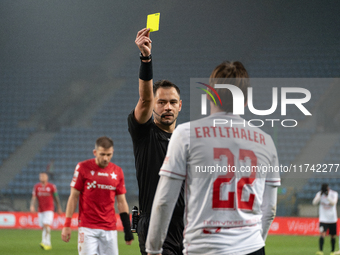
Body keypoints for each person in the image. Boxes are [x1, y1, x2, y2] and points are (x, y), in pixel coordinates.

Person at [145, 61, 281, 255]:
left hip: (205, 248)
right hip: (252, 247)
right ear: (245, 100)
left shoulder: (186, 134)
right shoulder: (266, 142)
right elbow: (270, 209)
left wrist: (153, 250)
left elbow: (164, 201)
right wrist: (254, 243)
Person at [128, 28, 184, 255]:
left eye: (172, 102)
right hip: (156, 227)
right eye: (161, 102)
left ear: (180, 105)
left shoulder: (187, 140)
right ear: (153, 105)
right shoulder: (145, 134)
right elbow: (144, 97)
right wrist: (146, 59)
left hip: (188, 226)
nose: (167, 107)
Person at [61, 136, 133, 255]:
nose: (105, 158)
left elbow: (121, 201)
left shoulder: (117, 171)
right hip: (87, 227)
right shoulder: (83, 167)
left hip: (109, 228)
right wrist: (67, 224)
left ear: (113, 153)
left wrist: (127, 228)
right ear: (95, 152)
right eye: (102, 154)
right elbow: (73, 197)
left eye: (109, 155)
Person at [30, 172, 63, 250]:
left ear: (47, 177)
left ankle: (44, 241)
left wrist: (59, 207)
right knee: (43, 227)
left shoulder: (52, 186)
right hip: (40, 209)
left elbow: (56, 198)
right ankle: (48, 244)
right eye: (41, 176)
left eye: (44, 176)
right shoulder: (36, 187)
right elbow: (34, 197)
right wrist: (32, 206)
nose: (42, 177)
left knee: (46, 225)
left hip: (49, 209)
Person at [313, 183, 338, 255]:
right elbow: (314, 202)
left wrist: (327, 196)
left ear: (328, 188)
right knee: (322, 234)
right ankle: (321, 251)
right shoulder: (319, 194)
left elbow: (333, 203)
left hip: (332, 219)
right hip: (323, 219)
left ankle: (332, 251)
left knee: (333, 235)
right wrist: (320, 195)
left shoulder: (334, 194)